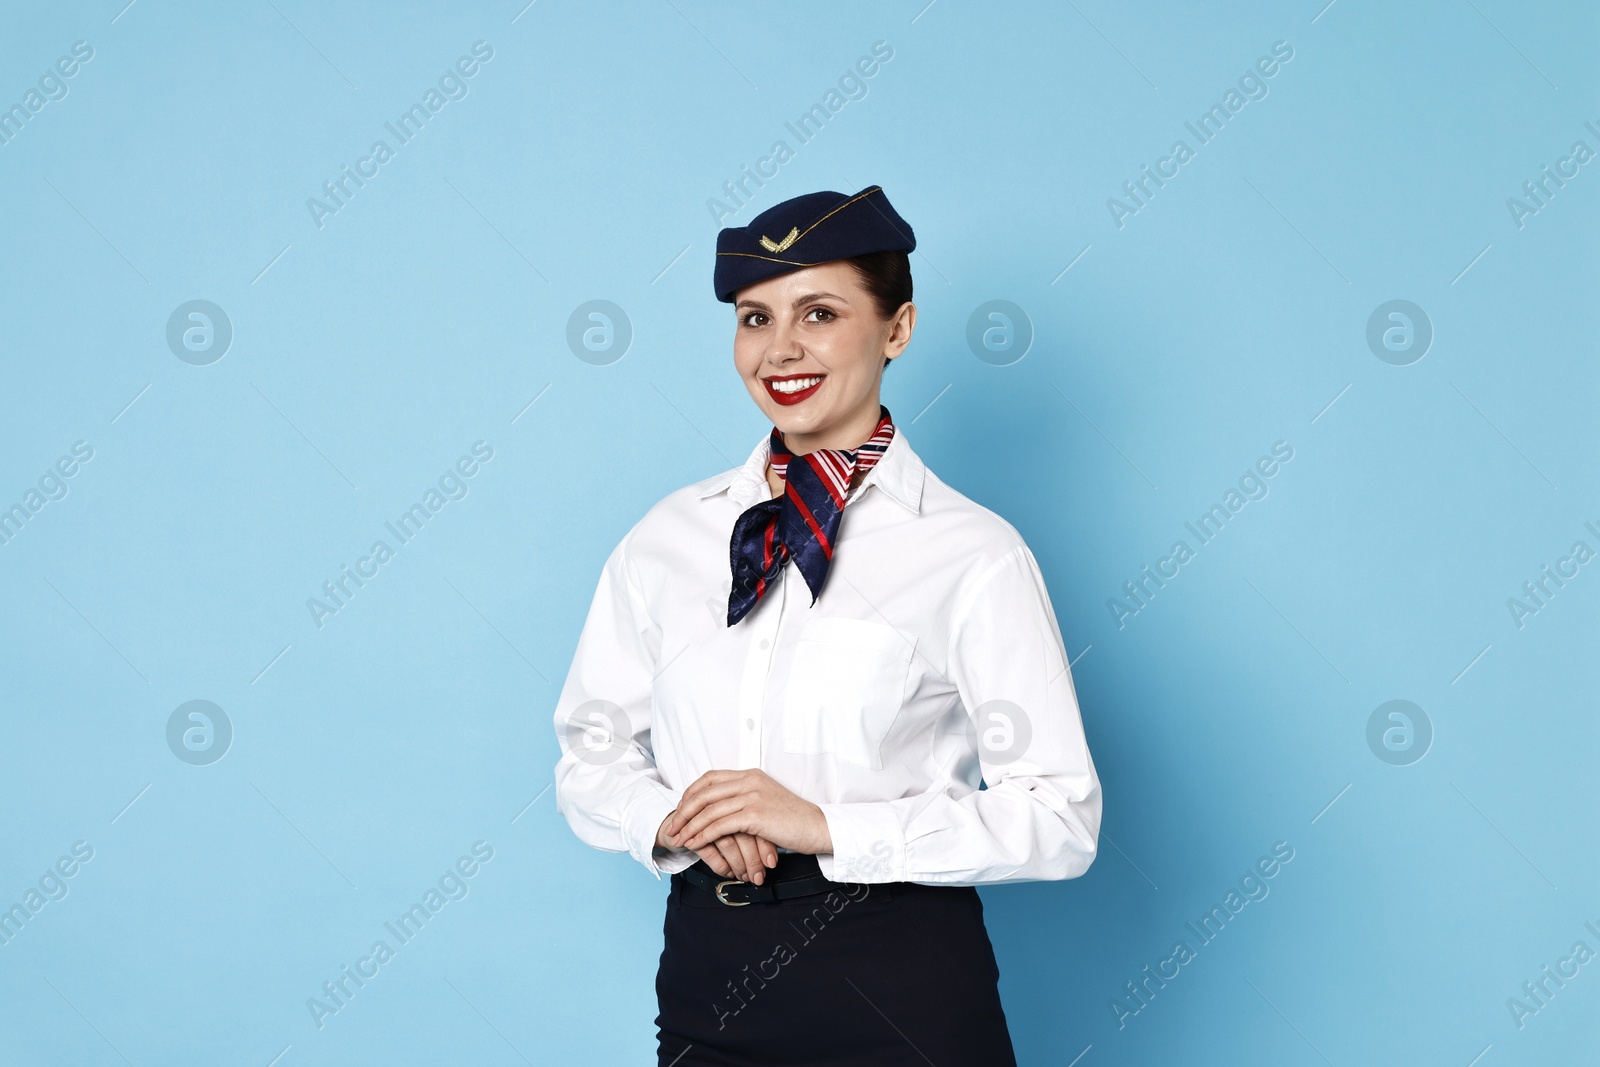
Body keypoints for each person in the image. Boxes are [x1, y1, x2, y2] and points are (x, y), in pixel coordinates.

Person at [552, 185, 1101, 1066]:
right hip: (708, 981)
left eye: (819, 312)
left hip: (900, 985)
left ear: (898, 327)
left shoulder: (970, 553)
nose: (781, 350)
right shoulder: (667, 538)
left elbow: (1061, 816)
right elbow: (589, 752)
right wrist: (675, 816)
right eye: (754, 317)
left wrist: (828, 825)